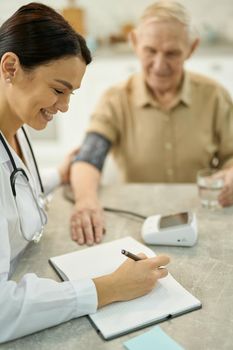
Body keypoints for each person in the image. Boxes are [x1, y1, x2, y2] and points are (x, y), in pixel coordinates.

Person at [0, 3, 170, 343]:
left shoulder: (14, 131)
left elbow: (14, 189)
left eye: (70, 94)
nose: (63, 107)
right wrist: (110, 287)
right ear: (11, 67)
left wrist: (57, 176)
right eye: (59, 90)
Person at [70, 1, 233, 246]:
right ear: (134, 42)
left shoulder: (215, 95)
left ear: (192, 48)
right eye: (150, 51)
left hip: (201, 221)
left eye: (172, 53)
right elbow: (88, 159)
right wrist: (86, 201)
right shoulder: (115, 99)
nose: (159, 65)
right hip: (136, 224)